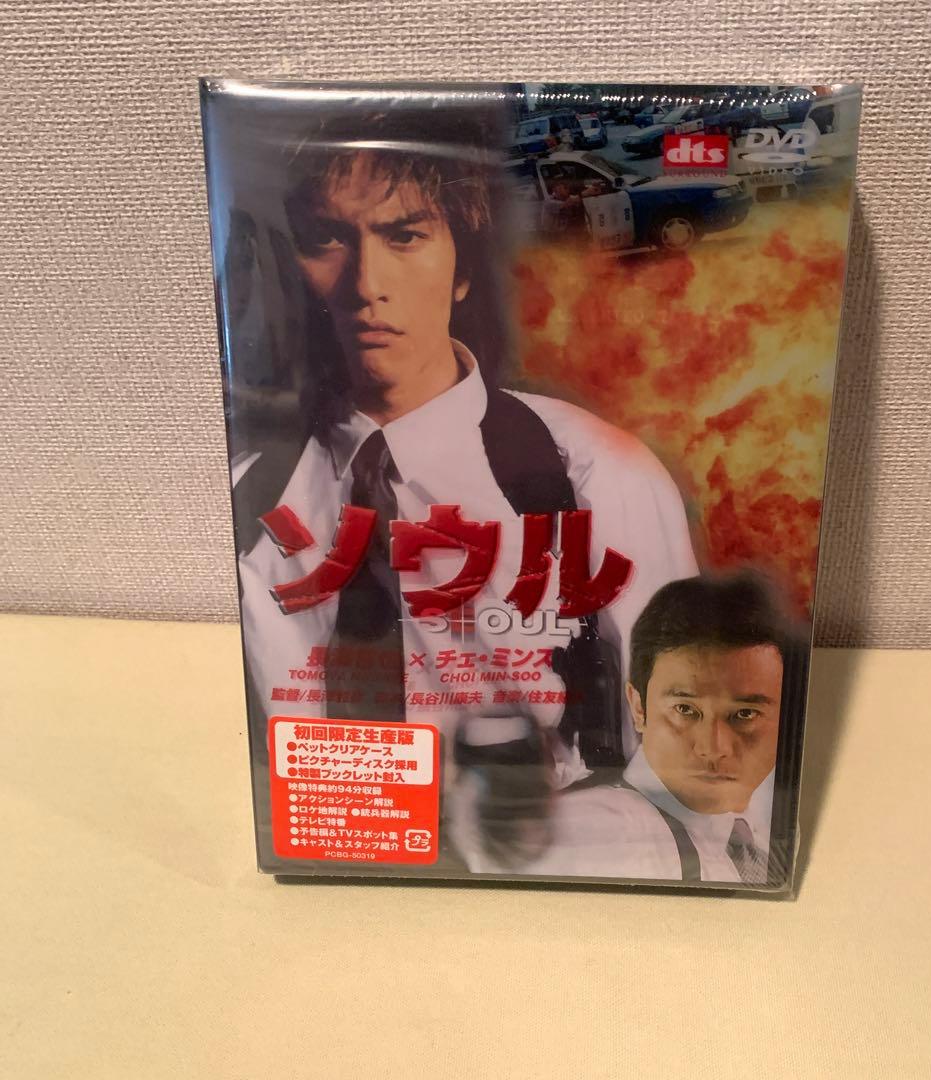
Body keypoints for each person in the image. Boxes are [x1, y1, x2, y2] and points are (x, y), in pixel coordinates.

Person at [228, 107, 698, 859]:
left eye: (405, 235)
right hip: (337, 860)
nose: (367, 284)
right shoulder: (251, 498)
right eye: (327, 239)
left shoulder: (593, 472)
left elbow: (686, 759)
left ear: (464, 268)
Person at [455, 571, 803, 884]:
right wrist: (510, 825)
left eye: (744, 714)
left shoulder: (762, 831)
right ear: (638, 707)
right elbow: (539, 846)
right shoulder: (618, 827)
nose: (713, 747)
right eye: (685, 710)